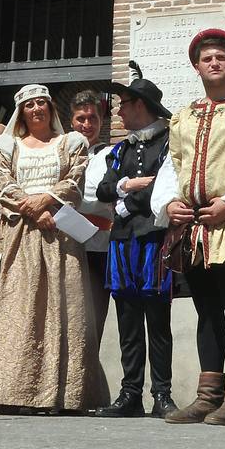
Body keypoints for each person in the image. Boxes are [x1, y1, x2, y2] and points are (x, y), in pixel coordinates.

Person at [0, 84, 106, 413]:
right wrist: (35, 210)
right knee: (20, 313)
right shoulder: (7, 147)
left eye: (42, 102)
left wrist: (46, 203)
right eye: (30, 104)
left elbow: (75, 181)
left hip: (60, 237)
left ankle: (63, 395)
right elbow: (3, 185)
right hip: (18, 238)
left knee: (62, 312)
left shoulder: (70, 144)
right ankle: (15, 392)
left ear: (50, 109)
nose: (37, 108)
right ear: (22, 112)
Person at [151, 30, 225, 426]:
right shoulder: (183, 116)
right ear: (196, 66)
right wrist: (168, 204)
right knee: (206, 311)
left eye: (220, 57)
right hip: (193, 227)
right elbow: (172, 167)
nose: (213, 63)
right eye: (206, 58)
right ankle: (207, 395)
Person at [93, 66, 176, 419]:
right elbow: (103, 189)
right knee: (127, 321)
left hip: (154, 241)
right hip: (123, 242)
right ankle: (130, 394)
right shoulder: (119, 150)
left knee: (158, 321)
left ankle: (162, 394)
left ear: (140, 105)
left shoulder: (170, 143)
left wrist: (126, 199)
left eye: (123, 104)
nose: (119, 111)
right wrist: (130, 186)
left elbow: (164, 187)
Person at [70, 89, 112, 348]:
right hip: (63, 249)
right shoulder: (59, 153)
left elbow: (105, 197)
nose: (87, 125)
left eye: (93, 118)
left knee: (92, 321)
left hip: (97, 249)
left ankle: (87, 384)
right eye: (81, 119)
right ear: (71, 122)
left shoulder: (110, 155)